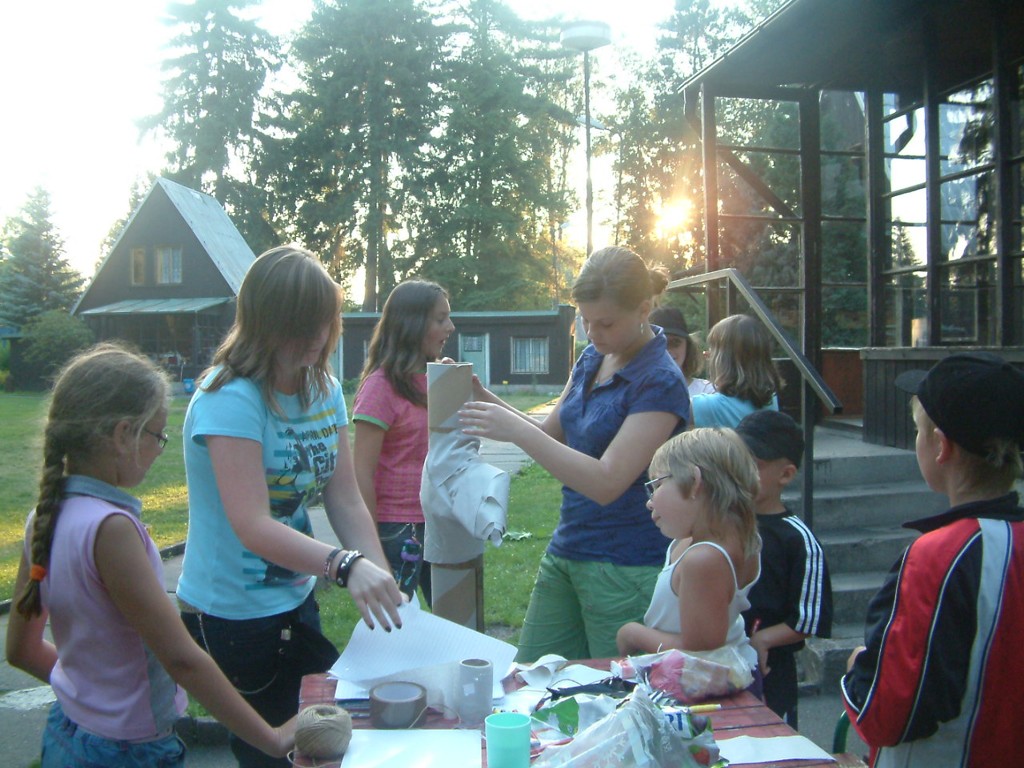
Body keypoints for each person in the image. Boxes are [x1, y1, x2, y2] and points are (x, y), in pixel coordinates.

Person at [5, 343, 296, 767]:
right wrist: (272, 739)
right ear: (123, 434)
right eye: (158, 435)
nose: (160, 449)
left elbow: (21, 649)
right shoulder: (112, 531)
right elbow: (181, 659)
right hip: (127, 752)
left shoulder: (43, 518)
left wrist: (90, 699)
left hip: (67, 733)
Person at [175, 245, 404, 768]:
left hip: (295, 600)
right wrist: (345, 565)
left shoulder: (323, 388)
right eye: (301, 324)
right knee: (270, 754)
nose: (316, 337)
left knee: (322, 740)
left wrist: (381, 579)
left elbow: (343, 496)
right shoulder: (229, 397)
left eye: (324, 322)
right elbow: (251, 524)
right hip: (233, 614)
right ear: (265, 321)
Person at [459, 246, 690, 661]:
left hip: (626, 564)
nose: (592, 332)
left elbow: (607, 482)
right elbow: (550, 434)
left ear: (643, 309)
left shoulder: (660, 381)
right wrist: (484, 396)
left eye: (605, 322)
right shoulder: (591, 358)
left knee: (617, 687)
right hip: (569, 546)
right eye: (585, 320)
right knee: (534, 675)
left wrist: (513, 429)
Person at [842, 352, 1024, 767]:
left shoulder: (939, 556)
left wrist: (859, 666)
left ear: (941, 446)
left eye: (917, 432)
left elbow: (888, 715)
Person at [615, 428, 761, 688]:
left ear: (694, 482)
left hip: (704, 690)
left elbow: (701, 652)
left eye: (657, 485)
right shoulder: (720, 541)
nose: (649, 502)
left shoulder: (705, 558)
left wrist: (633, 634)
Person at [353, 279, 456, 604]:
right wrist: (369, 544)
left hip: (439, 519)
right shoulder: (380, 386)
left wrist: (455, 388)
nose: (450, 327)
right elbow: (361, 473)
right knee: (395, 621)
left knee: (455, 615)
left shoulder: (437, 380)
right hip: (396, 528)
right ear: (412, 325)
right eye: (440, 319)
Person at [735, 409, 832, 729]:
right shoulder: (723, 522)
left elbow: (808, 617)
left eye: (754, 464)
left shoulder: (798, 539)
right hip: (720, 658)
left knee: (770, 738)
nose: (740, 472)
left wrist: (763, 640)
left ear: (786, 474)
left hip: (771, 670)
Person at [691, 313, 783, 428]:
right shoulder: (770, 398)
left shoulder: (709, 407)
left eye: (712, 351)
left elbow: (672, 407)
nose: (707, 355)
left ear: (723, 361)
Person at [648, 306, 715, 397]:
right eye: (660, 343)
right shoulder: (633, 393)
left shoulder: (708, 393)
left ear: (688, 347)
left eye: (675, 342)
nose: (668, 351)